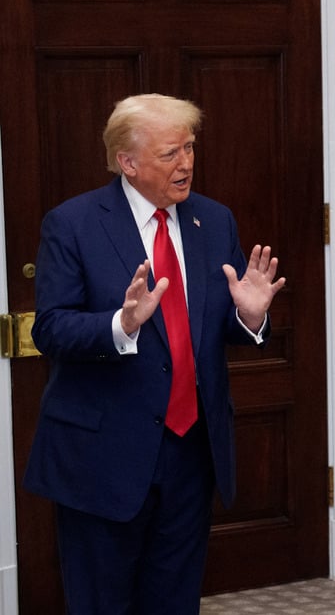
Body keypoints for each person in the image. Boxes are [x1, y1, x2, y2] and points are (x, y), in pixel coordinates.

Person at [23, 93, 286, 613]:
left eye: (189, 148)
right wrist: (121, 324)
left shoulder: (213, 221)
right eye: (170, 153)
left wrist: (251, 317)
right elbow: (50, 330)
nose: (186, 163)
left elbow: (221, 325)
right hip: (103, 457)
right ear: (128, 161)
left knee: (175, 600)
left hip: (191, 453)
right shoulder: (73, 224)